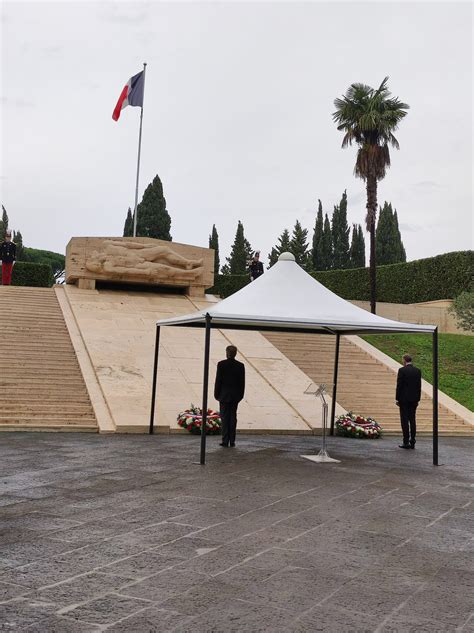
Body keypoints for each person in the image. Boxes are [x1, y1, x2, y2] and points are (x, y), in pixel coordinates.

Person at [214, 345, 245, 447]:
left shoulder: (221, 364)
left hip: (223, 395)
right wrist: (240, 396)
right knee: (233, 418)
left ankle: (225, 440)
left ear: (227, 353)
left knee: (224, 418)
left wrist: (216, 394)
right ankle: (232, 441)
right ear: (235, 353)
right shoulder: (240, 366)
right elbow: (242, 383)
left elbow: (218, 381)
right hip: (235, 396)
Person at [396, 353, 422, 449]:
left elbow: (399, 385)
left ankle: (406, 441)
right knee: (412, 420)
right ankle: (413, 441)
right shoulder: (417, 371)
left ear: (404, 360)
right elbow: (419, 386)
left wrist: (397, 398)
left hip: (404, 400)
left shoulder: (402, 370)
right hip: (414, 399)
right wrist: (417, 399)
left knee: (404, 421)